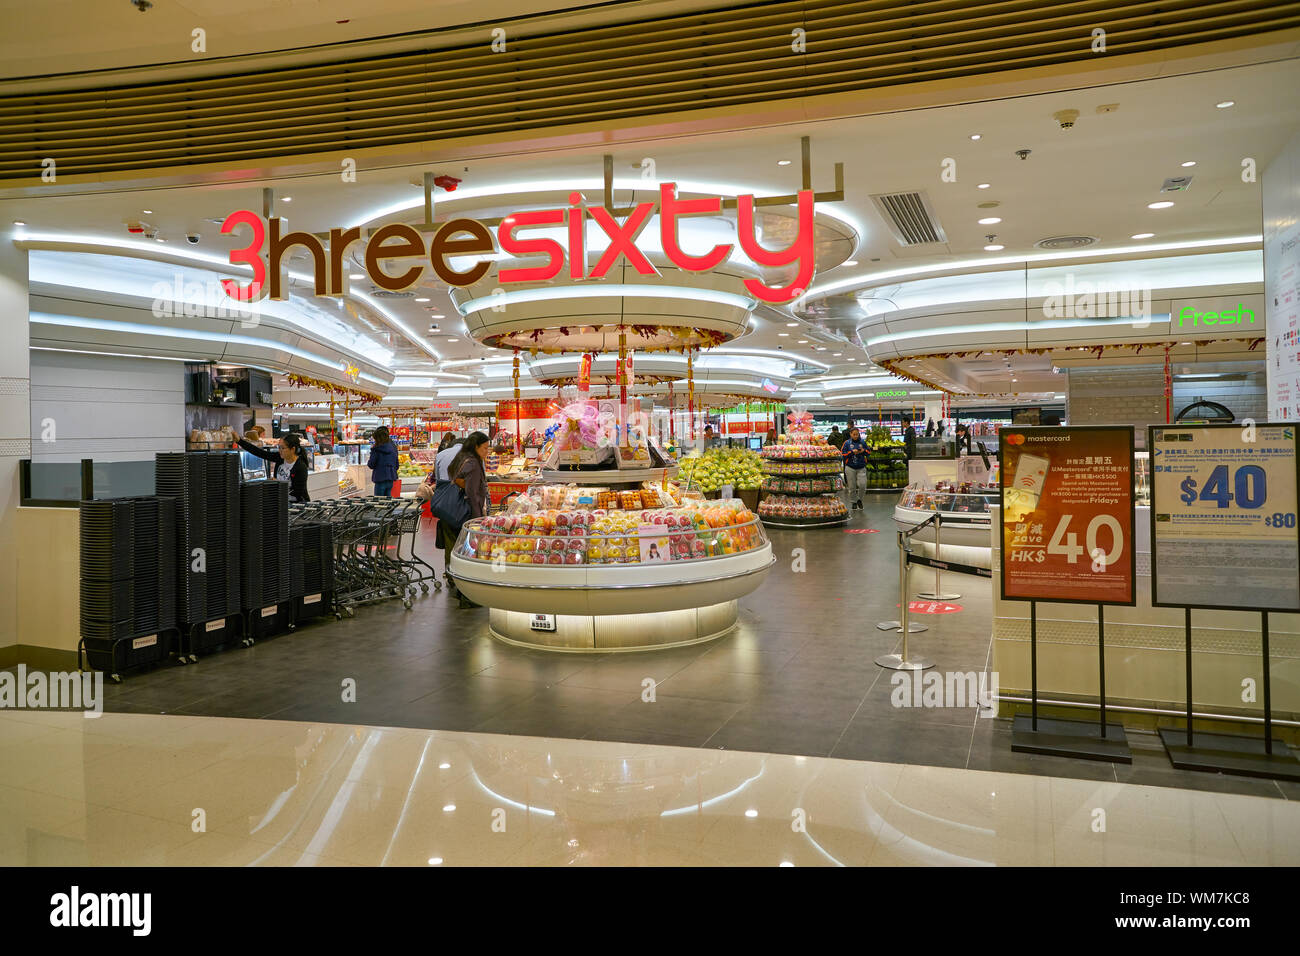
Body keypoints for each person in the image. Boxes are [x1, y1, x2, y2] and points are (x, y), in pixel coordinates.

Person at [447, 432, 491, 609]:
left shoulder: (462, 457)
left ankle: (460, 591)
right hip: (468, 514)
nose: (487, 452)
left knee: (461, 551)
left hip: (455, 512)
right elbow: (473, 493)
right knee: (470, 552)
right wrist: (478, 518)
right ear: (476, 447)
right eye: (485, 448)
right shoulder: (473, 463)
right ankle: (467, 596)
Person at [235, 431, 310, 502]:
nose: (280, 450)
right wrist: (239, 441)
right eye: (279, 447)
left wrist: (278, 484)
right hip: (281, 502)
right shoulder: (280, 458)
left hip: (297, 505)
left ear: (293, 449)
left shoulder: (300, 467)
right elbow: (259, 452)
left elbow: (297, 493)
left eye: (283, 448)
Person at [840, 426, 870, 510]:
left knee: (863, 485)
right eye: (854, 434)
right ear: (850, 434)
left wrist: (863, 451)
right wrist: (851, 452)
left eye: (857, 434)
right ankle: (853, 502)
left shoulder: (863, 442)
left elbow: (868, 452)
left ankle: (859, 499)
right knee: (852, 487)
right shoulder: (847, 443)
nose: (856, 436)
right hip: (850, 467)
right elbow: (843, 454)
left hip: (861, 467)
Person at [367, 425, 399, 497]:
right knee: (388, 501)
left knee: (379, 502)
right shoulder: (393, 447)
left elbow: (371, 464)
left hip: (380, 478)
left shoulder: (376, 449)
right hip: (391, 478)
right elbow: (397, 465)